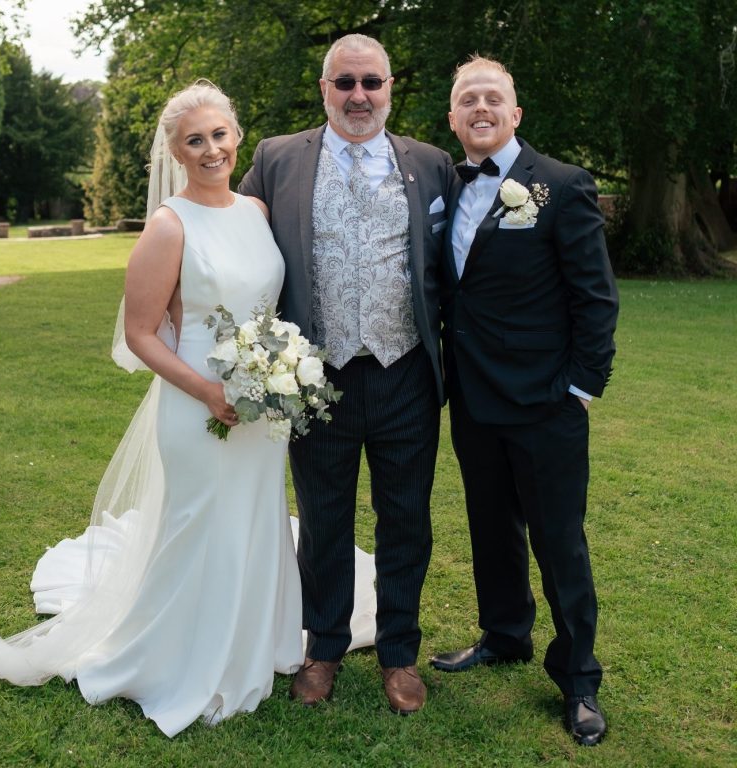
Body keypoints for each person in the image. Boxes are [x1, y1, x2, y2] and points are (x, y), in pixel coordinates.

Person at [0, 81, 375, 737]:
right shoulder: (168, 225)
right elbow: (141, 333)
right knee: (199, 530)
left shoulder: (257, 211)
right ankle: (183, 661)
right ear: (176, 153)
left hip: (262, 408)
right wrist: (212, 391)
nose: (211, 149)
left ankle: (254, 644)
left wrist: (277, 372)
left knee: (253, 522)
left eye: (219, 135)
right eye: (195, 141)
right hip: (199, 408)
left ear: (236, 136)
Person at [239, 34, 455, 714]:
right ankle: (324, 646)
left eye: (371, 82)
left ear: (390, 88)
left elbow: (457, 263)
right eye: (345, 83)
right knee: (325, 520)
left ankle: (399, 654)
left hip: (406, 375)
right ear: (324, 89)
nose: (359, 96)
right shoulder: (277, 158)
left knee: (406, 521)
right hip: (318, 378)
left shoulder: (432, 163)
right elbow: (233, 236)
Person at [431, 56, 619, 746]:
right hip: (473, 398)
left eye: (493, 98)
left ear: (515, 114)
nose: (480, 107)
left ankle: (578, 679)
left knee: (560, 541)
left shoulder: (562, 185)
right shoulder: (441, 186)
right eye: (467, 99)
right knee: (491, 527)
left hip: (545, 402)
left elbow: (594, 296)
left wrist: (581, 386)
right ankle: (504, 633)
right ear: (453, 118)